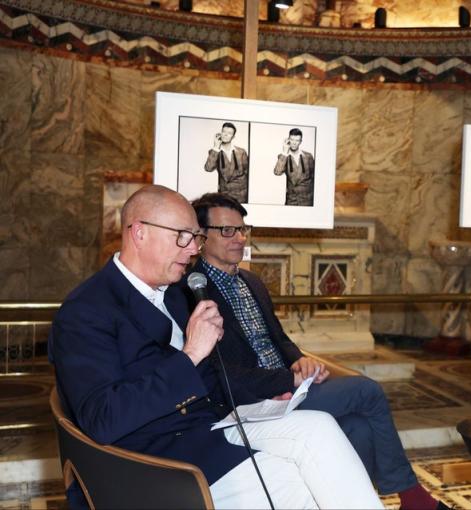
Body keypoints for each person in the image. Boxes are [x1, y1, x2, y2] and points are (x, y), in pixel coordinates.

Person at [49, 185, 383, 509]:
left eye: (195, 237)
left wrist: (262, 404)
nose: (193, 249)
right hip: (154, 463)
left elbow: (209, 380)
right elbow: (103, 420)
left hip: (209, 428)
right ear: (139, 233)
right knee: (295, 483)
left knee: (320, 426)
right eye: (182, 236)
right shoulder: (87, 310)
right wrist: (191, 353)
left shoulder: (177, 294)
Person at [181, 192, 446, 510]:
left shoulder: (252, 282)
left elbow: (279, 339)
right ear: (201, 236)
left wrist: (300, 360)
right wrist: (285, 381)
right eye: (227, 230)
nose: (238, 238)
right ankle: (413, 497)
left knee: (357, 427)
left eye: (242, 229)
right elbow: (222, 372)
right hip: (251, 402)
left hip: (287, 386)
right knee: (367, 391)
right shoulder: (193, 292)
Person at [204, 122, 250, 203]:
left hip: (241, 194)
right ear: (220, 133)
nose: (225, 135)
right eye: (224, 132)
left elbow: (247, 172)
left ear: (233, 136)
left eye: (229, 133)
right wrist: (216, 147)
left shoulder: (241, 152)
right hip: (224, 195)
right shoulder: (214, 152)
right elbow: (208, 168)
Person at [273, 128, 316, 206]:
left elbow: (314, 178)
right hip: (292, 199)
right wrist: (285, 152)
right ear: (288, 140)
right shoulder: (283, 156)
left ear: (300, 142)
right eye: (292, 140)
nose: (294, 143)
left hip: (307, 199)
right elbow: (277, 172)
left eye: (297, 140)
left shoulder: (308, 156)